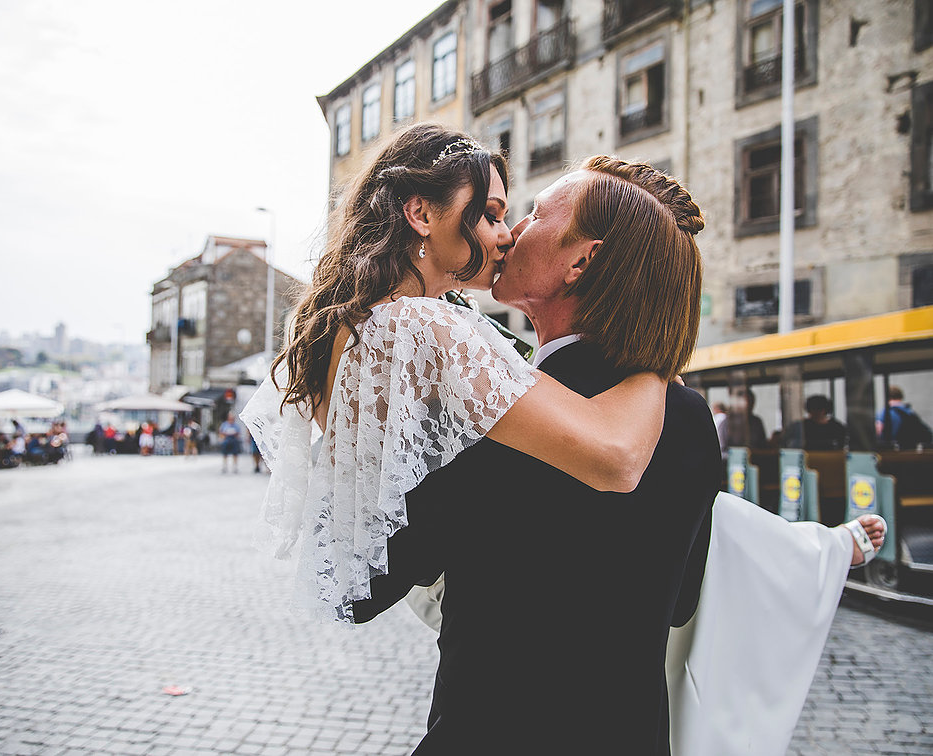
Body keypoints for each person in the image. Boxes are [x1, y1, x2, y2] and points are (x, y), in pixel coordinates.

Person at [241, 127, 885, 753]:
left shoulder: (482, 413)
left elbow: (367, 584)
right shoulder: (685, 415)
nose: (513, 228)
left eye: (536, 212)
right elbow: (684, 595)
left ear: (580, 259)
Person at [783, 394, 848, 450]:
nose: (816, 412)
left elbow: (842, 446)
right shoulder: (800, 426)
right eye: (813, 409)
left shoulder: (837, 427)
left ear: (825, 410)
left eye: (819, 409)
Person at [876, 385, 933, 450]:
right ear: (901, 397)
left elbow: (878, 432)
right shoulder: (910, 412)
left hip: (891, 452)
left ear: (886, 397)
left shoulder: (883, 413)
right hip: (910, 452)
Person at [718, 387, 767, 454]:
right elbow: (722, 451)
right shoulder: (726, 424)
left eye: (751, 402)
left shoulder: (757, 422)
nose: (749, 406)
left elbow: (763, 445)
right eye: (747, 403)